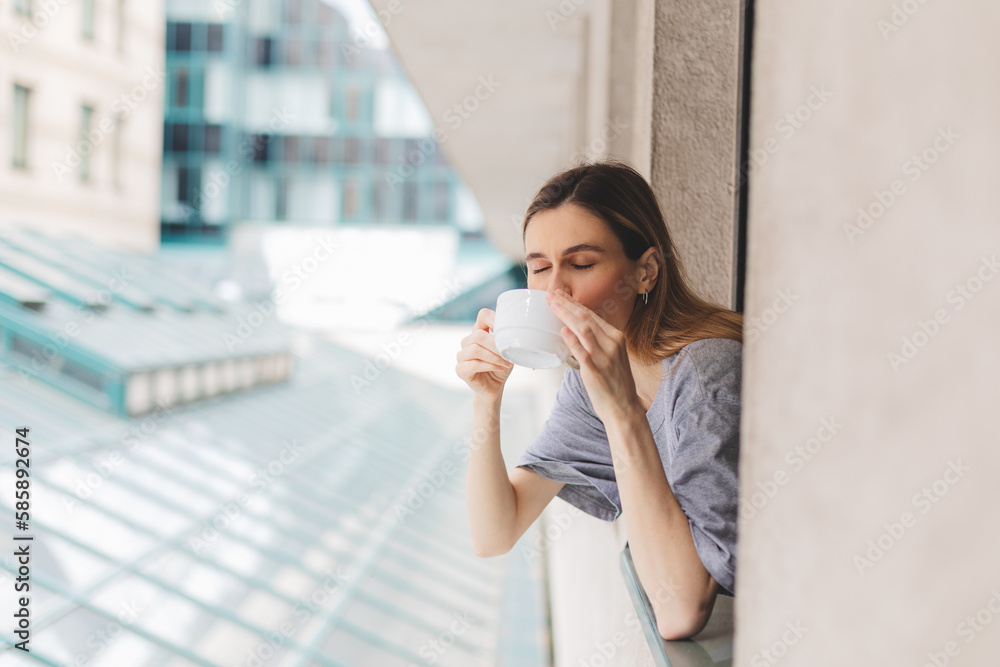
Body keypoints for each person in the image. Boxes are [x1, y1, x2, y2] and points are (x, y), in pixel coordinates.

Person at [454, 158, 743, 641]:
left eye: (582, 264)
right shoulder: (590, 383)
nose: (555, 290)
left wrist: (621, 409)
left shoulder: (705, 373)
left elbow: (681, 611)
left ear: (645, 271)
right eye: (539, 268)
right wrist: (487, 400)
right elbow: (494, 533)